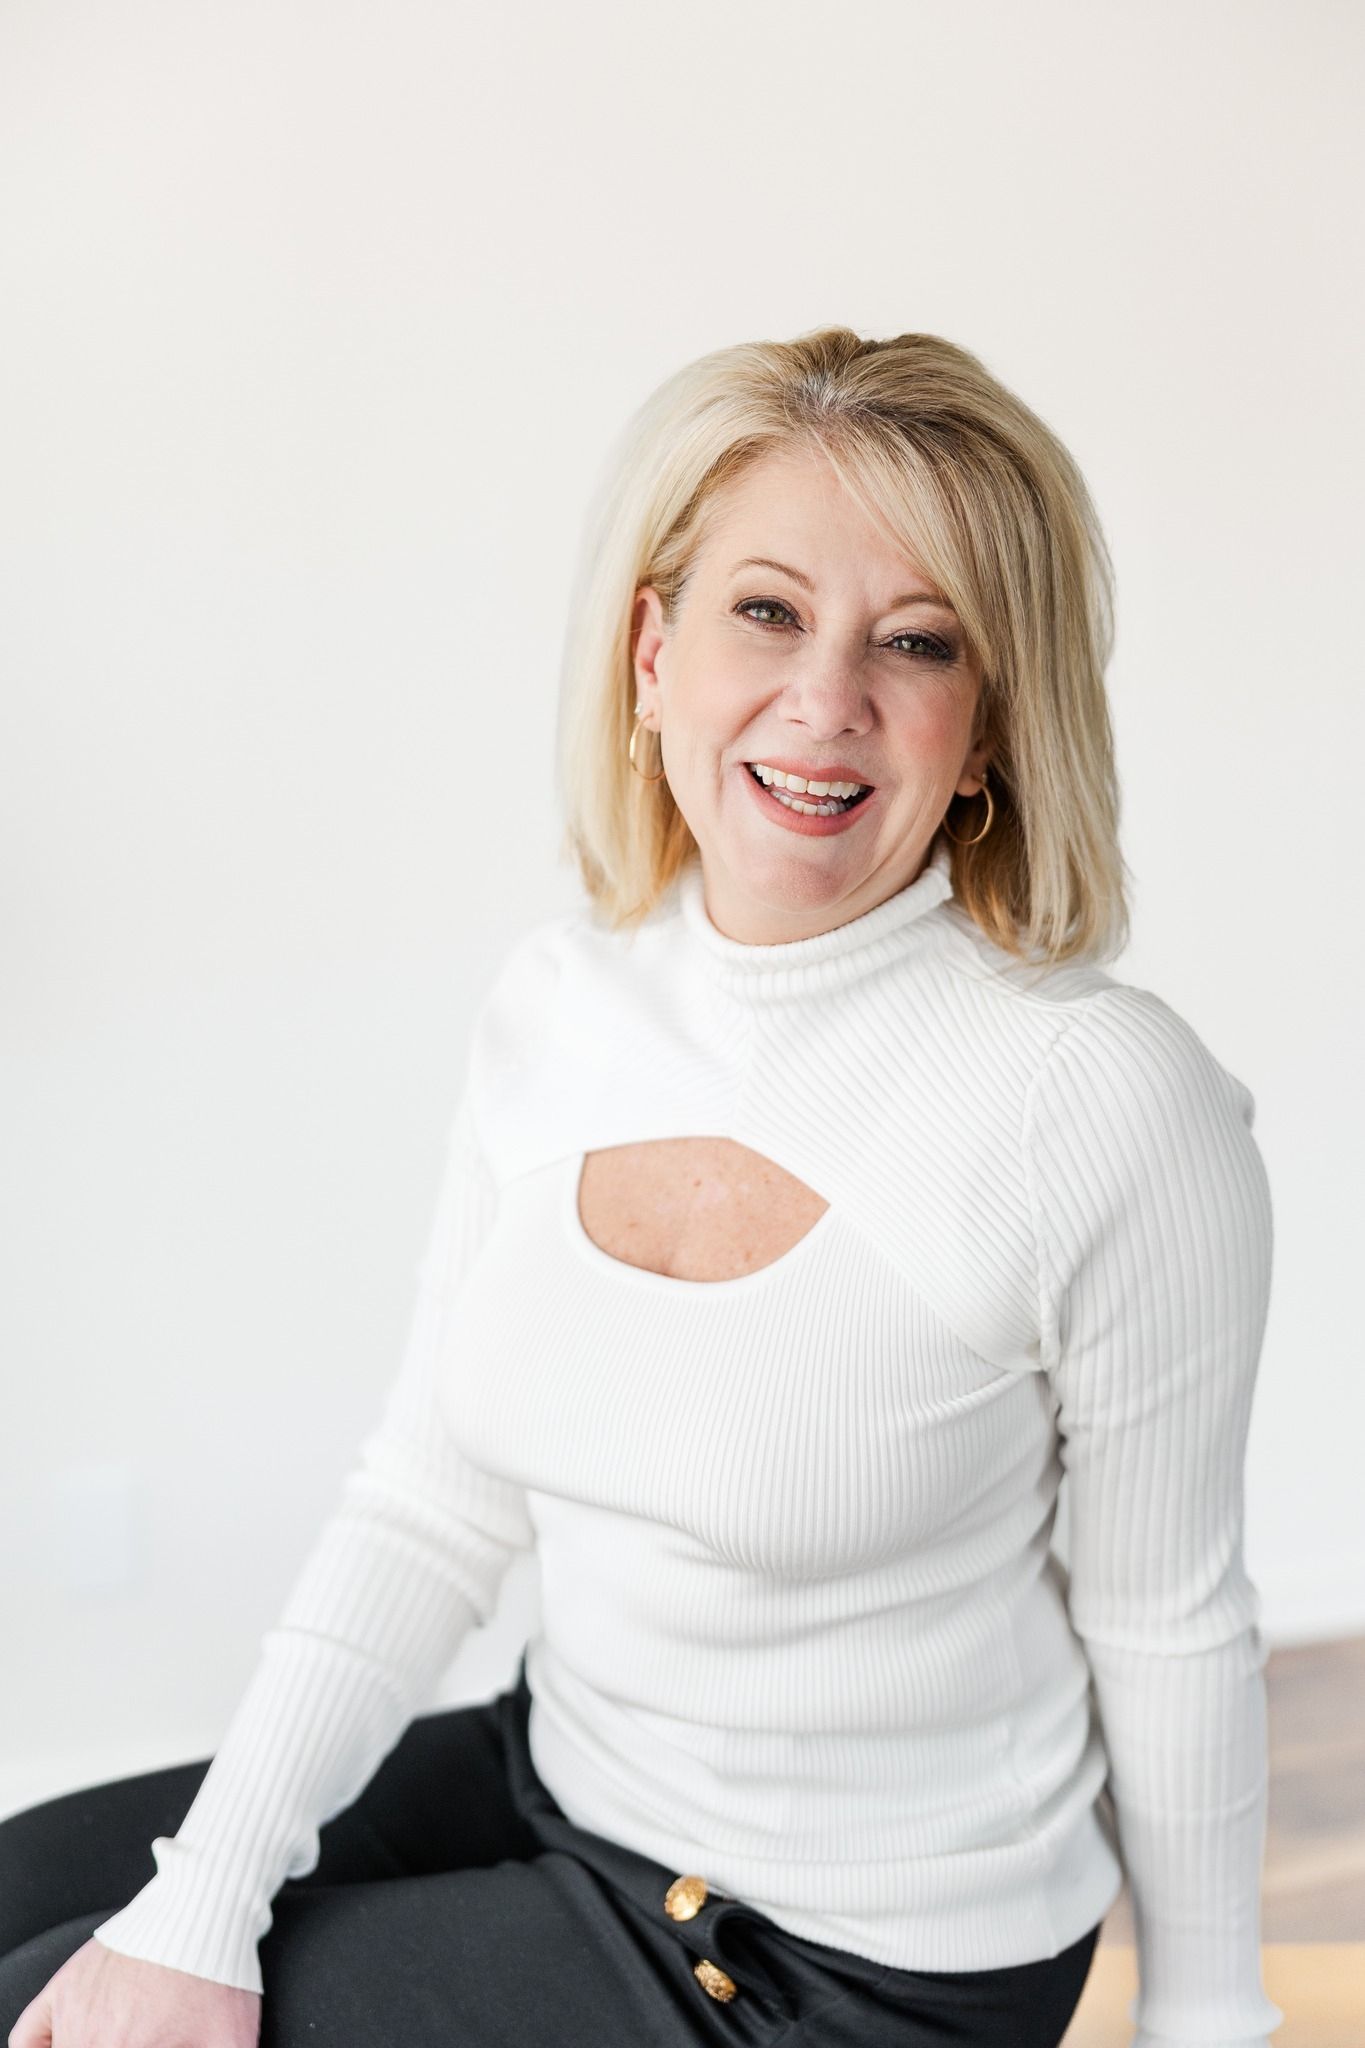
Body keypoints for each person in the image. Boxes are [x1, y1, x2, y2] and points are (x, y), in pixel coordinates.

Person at [0, 327, 1285, 2048]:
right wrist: (205, 1900)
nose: (825, 698)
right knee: (45, 1933)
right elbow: (431, 1506)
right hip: (569, 1778)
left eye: (916, 644)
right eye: (767, 612)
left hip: (855, 1964)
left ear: (988, 735)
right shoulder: (556, 1009)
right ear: (650, 651)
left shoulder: (1101, 1103)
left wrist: (1207, 2026)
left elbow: (1167, 1621)